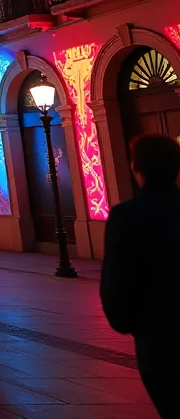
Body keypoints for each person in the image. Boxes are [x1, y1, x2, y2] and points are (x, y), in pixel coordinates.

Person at [101, 134, 180, 416]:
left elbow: (116, 282)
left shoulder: (126, 216)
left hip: (158, 337)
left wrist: (130, 323)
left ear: (136, 167)